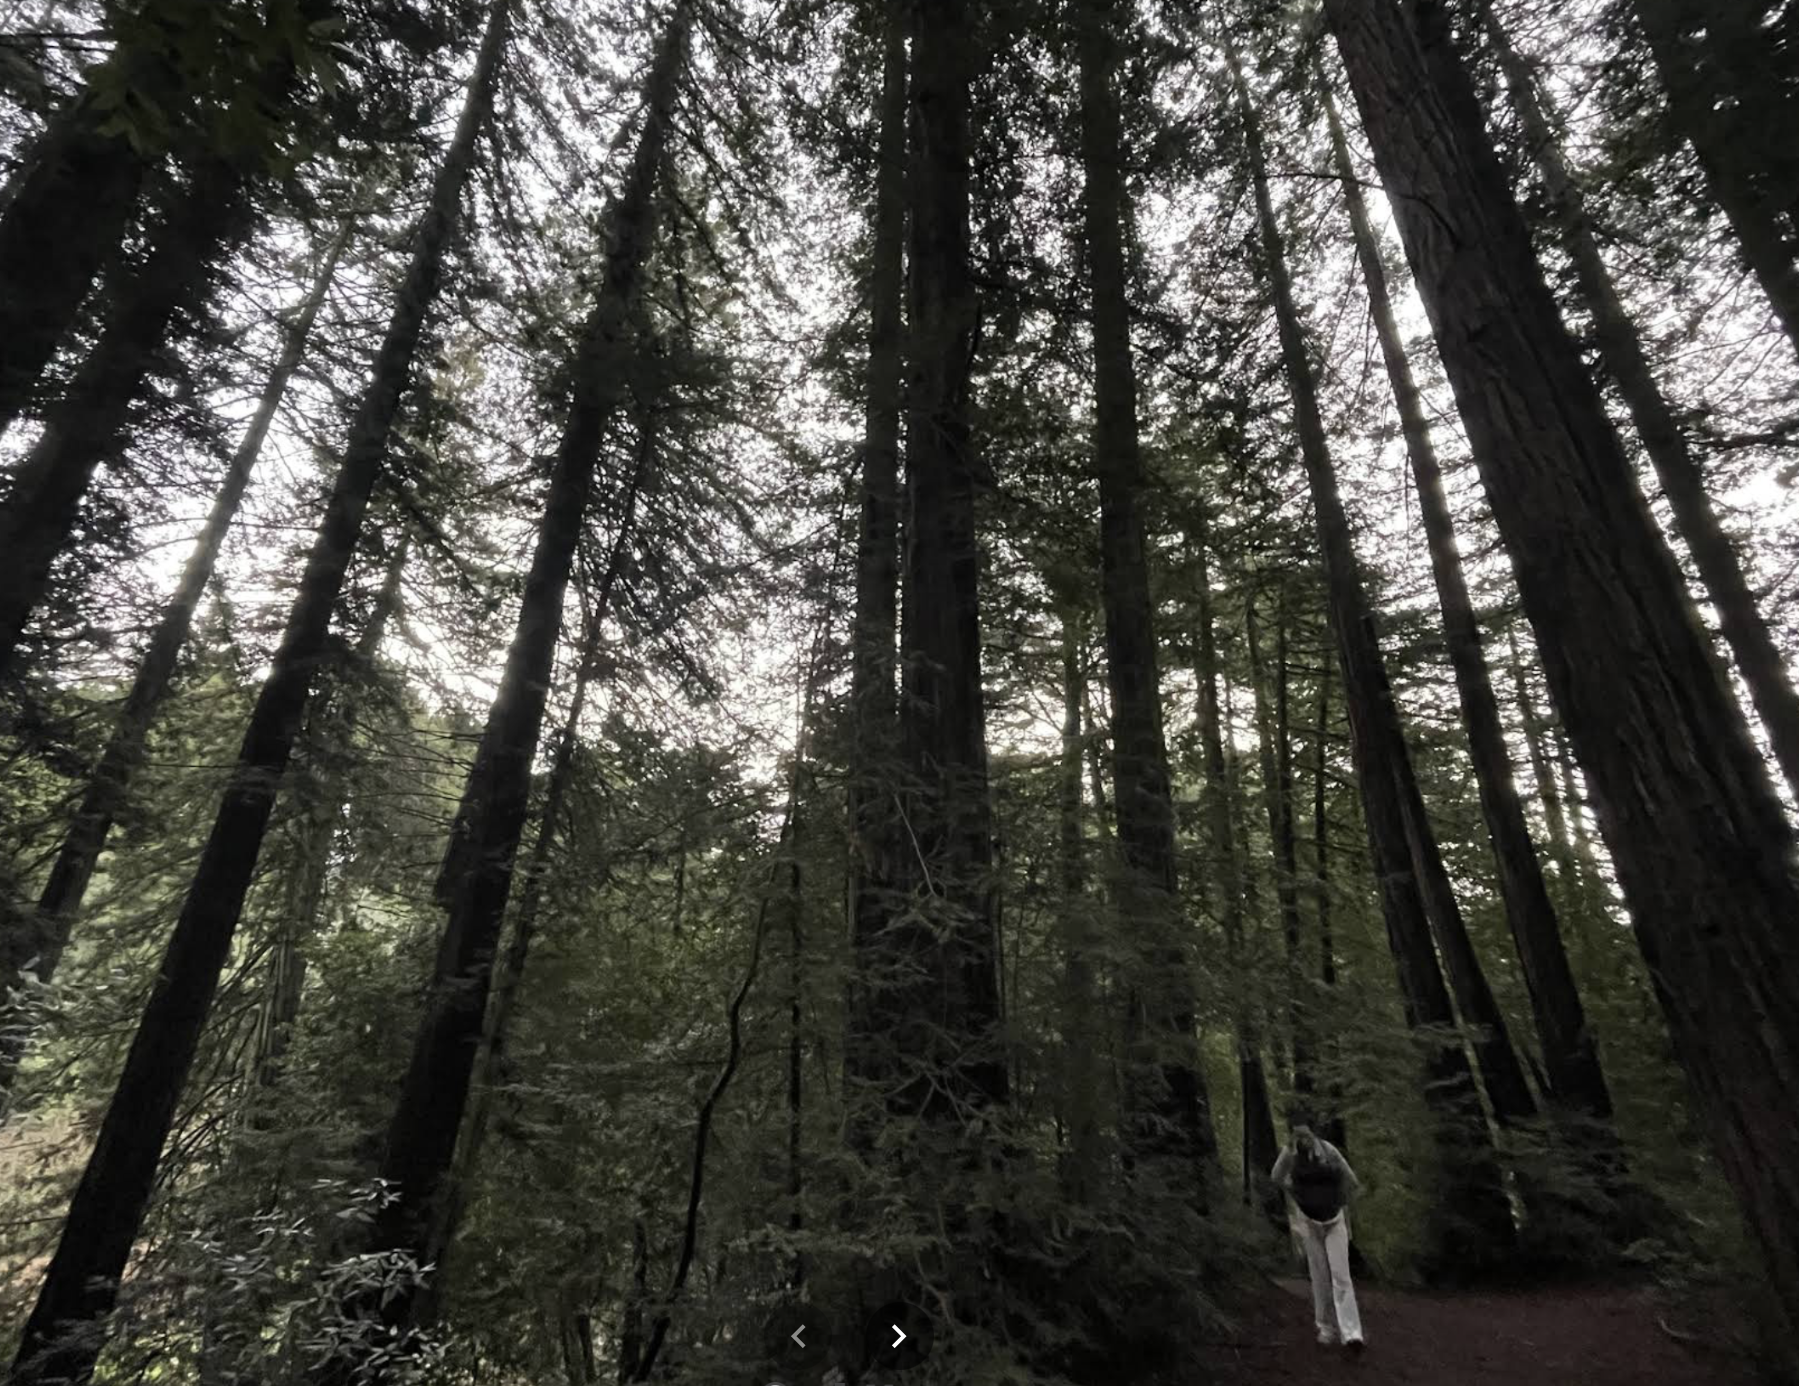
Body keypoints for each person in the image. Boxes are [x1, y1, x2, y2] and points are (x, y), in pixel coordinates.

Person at [1271, 1122, 1364, 1351]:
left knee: (1340, 1275)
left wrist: (1339, 1203)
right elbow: (1275, 1176)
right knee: (1320, 1275)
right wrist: (1296, 1193)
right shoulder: (1290, 1154)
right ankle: (1326, 1327)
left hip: (1334, 1219)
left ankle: (1351, 1334)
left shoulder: (1329, 1151)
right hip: (1309, 1220)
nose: (1303, 1138)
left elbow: (1350, 1180)